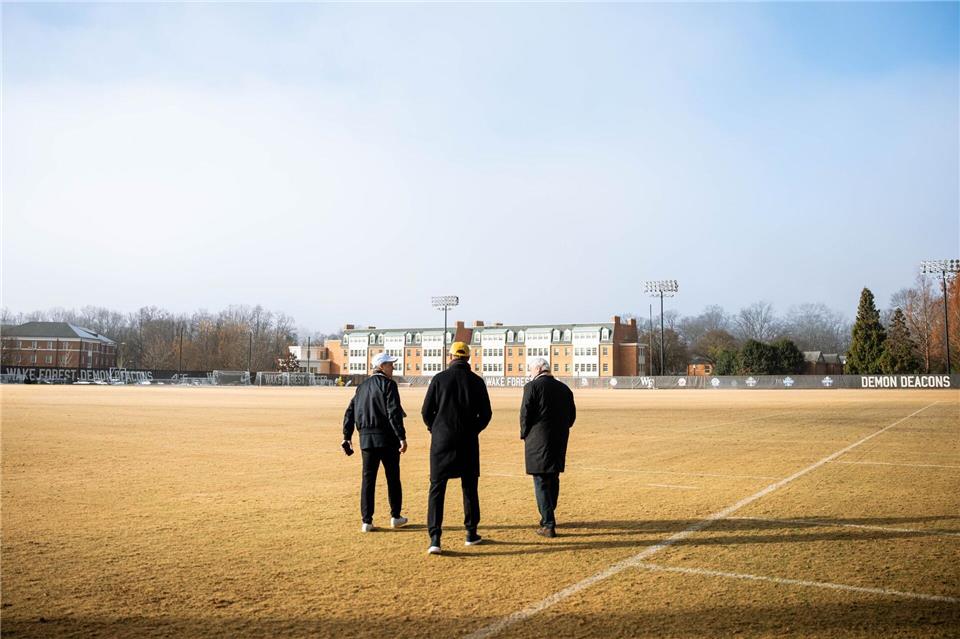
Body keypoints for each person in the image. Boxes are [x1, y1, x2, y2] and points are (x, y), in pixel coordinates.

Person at [421, 341, 492, 555]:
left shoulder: (439, 379)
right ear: (468, 358)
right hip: (468, 441)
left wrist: (436, 429)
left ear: (450, 356)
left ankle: (435, 538)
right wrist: (474, 430)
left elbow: (426, 411)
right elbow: (486, 414)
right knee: (469, 487)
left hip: (441, 441)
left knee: (437, 488)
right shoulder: (477, 382)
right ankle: (471, 533)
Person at [342, 352, 409, 532]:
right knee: (393, 478)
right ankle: (395, 516)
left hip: (366, 440)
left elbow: (349, 412)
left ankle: (367, 521)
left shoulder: (361, 387)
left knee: (368, 480)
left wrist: (347, 436)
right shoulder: (389, 385)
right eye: (389, 364)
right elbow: (393, 412)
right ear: (381, 366)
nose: (392, 367)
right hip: (387, 439)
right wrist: (401, 437)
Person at [520, 357, 576, 538]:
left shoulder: (531, 387)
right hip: (559, 439)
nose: (529, 373)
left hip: (538, 440)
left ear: (537, 369)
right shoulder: (564, 389)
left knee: (541, 480)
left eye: (530, 370)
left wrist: (525, 434)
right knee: (553, 477)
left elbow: (525, 414)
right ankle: (548, 514)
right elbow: (571, 417)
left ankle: (548, 523)